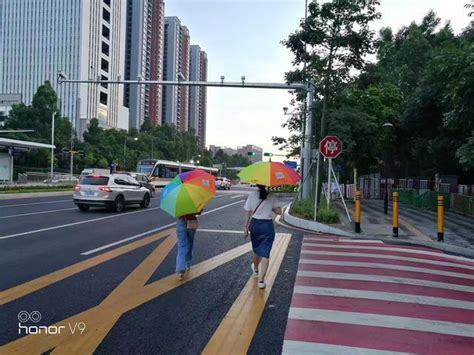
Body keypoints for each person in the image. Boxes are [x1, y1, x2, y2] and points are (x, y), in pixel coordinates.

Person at [243, 184, 283, 289]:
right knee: (266, 253)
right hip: (267, 226)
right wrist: (271, 208)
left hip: (255, 225)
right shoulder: (272, 196)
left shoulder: (252, 194)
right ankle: (261, 281)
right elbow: (279, 212)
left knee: (256, 249)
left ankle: (256, 269)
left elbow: (248, 212)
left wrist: (245, 228)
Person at [175, 212, 199, 280]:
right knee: (190, 242)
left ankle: (180, 270)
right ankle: (188, 264)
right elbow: (199, 212)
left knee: (181, 245)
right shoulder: (194, 202)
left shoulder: (178, 202)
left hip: (180, 221)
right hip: (192, 220)